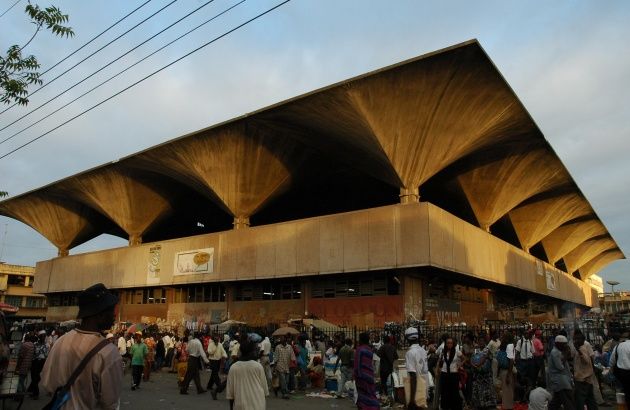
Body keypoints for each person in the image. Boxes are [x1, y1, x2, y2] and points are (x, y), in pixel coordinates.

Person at [40, 283, 123, 409]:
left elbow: (47, 384)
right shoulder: (108, 352)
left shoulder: (61, 342)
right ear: (100, 314)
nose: (114, 316)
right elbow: (110, 402)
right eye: (111, 311)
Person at [226, 338, 269, 410]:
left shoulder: (233, 367)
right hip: (258, 405)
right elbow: (264, 389)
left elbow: (230, 394)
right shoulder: (258, 366)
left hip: (240, 406)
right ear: (252, 352)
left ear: (240, 351)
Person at [547, 335, 575, 410]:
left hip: (561, 380)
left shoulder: (557, 352)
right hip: (560, 381)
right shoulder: (555, 352)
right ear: (558, 344)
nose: (565, 346)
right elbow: (560, 367)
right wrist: (565, 354)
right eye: (564, 344)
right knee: (568, 400)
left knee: (556, 401)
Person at [573, 330, 598, 410]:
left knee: (580, 400)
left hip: (583, 379)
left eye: (577, 339)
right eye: (574, 339)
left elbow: (587, 360)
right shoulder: (580, 348)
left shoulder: (582, 348)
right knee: (590, 399)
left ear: (582, 340)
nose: (575, 341)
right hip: (586, 377)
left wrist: (579, 351)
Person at [354, 332, 379, 410]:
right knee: (371, 394)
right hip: (369, 376)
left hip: (361, 377)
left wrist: (356, 376)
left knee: (362, 397)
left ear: (361, 340)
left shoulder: (359, 349)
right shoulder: (369, 350)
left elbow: (357, 364)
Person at [438, 336, 463, 410]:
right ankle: (446, 407)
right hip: (444, 374)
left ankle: (455, 407)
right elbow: (440, 362)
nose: (449, 344)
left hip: (453, 374)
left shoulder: (457, 352)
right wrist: (439, 368)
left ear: (453, 344)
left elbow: (464, 359)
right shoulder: (443, 352)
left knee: (454, 392)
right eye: (448, 343)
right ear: (445, 344)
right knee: (445, 392)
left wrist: (459, 366)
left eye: (451, 343)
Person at [611, 331, 630, 406]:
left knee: (627, 392)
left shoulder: (618, 346)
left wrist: (611, 370)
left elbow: (612, 361)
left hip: (623, 374)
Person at [497, 332, 515, 410]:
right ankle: (506, 406)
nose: (502, 338)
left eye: (503, 337)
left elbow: (511, 361)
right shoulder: (505, 347)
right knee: (506, 390)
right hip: (504, 370)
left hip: (507, 371)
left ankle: (508, 407)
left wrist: (508, 374)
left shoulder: (509, 347)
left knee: (508, 390)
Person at [274, 334, 295, 399]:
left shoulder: (289, 347)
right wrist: (274, 368)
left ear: (286, 340)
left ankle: (277, 388)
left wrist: (293, 364)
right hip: (280, 366)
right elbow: (276, 358)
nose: (282, 340)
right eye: (281, 339)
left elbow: (293, 357)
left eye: (283, 339)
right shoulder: (278, 347)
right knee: (283, 380)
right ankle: (285, 393)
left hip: (287, 366)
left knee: (286, 381)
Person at [28, 330, 48, 399]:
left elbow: (46, 355)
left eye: (44, 336)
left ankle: (36, 394)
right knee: (35, 377)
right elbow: (33, 354)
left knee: (36, 377)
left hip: (41, 362)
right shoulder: (35, 344)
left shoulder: (46, 345)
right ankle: (30, 389)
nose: (44, 337)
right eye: (42, 336)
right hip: (35, 362)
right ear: (39, 337)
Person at [207, 334, 228, 399]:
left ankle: (209, 385)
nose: (217, 340)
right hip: (212, 360)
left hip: (218, 361)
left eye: (217, 339)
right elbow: (209, 352)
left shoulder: (220, 345)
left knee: (213, 373)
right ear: (214, 340)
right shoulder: (211, 344)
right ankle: (219, 385)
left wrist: (225, 356)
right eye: (216, 339)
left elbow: (223, 351)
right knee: (215, 373)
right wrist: (215, 348)